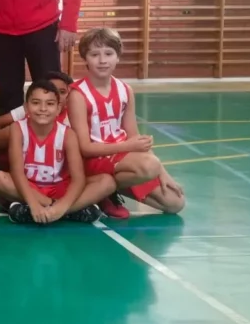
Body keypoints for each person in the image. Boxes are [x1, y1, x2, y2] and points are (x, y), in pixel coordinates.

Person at [67, 28, 186, 218]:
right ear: (85, 58)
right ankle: (100, 189)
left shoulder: (125, 90)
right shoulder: (77, 94)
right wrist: (128, 146)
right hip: (92, 161)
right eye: (94, 54)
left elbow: (134, 136)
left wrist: (164, 174)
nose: (102, 60)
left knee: (175, 203)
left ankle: (108, 191)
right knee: (147, 165)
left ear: (118, 57)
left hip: (121, 160)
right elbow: (84, 148)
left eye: (108, 53)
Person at [0, 81, 109, 225]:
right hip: (30, 188)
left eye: (50, 104)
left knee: (107, 182)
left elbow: (78, 179)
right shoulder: (17, 129)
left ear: (59, 108)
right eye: (36, 103)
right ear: (26, 107)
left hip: (60, 188)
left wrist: (61, 206)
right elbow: (17, 173)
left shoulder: (68, 134)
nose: (43, 109)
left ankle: (50, 212)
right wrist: (34, 203)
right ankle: (70, 211)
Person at [0, 71, 73, 162]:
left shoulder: (74, 115)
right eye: (52, 91)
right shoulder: (30, 109)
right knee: (12, 130)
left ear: (69, 95)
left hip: (55, 162)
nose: (57, 95)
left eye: (62, 92)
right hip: (23, 159)